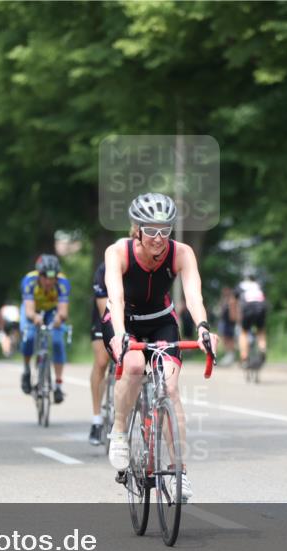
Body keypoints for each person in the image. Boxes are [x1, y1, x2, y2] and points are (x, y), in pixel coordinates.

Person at [103, 192, 218, 502]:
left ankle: (178, 472)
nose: (158, 238)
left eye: (165, 230)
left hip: (160, 321)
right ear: (136, 228)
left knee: (170, 387)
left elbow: (194, 296)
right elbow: (115, 297)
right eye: (151, 230)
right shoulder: (118, 252)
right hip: (123, 320)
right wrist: (119, 333)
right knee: (136, 366)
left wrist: (203, 327)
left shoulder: (181, 253)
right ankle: (118, 431)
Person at [20, 254, 70, 403]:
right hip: (33, 310)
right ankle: (27, 370)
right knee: (28, 337)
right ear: (39, 275)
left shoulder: (62, 283)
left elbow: (64, 311)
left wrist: (59, 318)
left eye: (53, 277)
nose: (49, 281)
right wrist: (35, 317)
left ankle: (58, 385)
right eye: (45, 277)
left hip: (52, 311)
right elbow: (29, 310)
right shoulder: (29, 281)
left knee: (57, 342)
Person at [88, 261, 110, 446]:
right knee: (102, 361)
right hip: (106, 319)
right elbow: (105, 311)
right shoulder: (104, 269)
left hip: (134, 319)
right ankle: (97, 420)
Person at [236, 270, 267, 367]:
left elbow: (237, 301)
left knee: (244, 332)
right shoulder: (259, 285)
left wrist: (237, 317)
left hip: (248, 308)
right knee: (261, 331)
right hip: (261, 307)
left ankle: (244, 357)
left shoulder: (241, 286)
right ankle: (262, 349)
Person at [217, 286, 238, 366]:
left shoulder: (231, 300)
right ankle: (228, 355)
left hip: (230, 323)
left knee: (230, 339)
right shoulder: (225, 300)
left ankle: (230, 356)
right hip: (225, 322)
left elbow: (233, 314)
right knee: (225, 339)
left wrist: (234, 322)